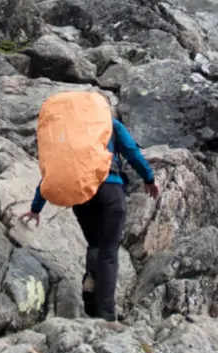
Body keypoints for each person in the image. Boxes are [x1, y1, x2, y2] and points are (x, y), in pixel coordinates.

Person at [17, 101, 158, 321]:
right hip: (110, 190)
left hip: (80, 195)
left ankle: (91, 301)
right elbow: (132, 153)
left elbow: (55, 171)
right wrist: (149, 178)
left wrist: (36, 207)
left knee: (95, 244)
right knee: (109, 252)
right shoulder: (109, 124)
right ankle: (107, 315)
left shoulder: (68, 133)